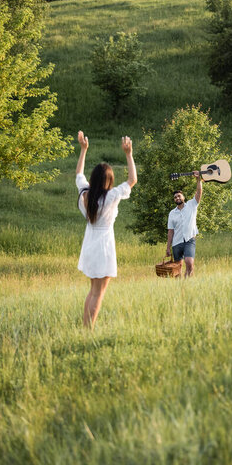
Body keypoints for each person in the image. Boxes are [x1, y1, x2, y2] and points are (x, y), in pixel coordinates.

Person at [76, 130, 137, 329]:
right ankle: (88, 330)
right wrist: (128, 154)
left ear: (94, 179)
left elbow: (79, 174)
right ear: (108, 180)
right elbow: (132, 180)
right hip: (103, 246)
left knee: (93, 290)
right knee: (99, 293)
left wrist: (83, 150)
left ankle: (86, 327)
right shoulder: (111, 196)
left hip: (90, 244)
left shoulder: (85, 194)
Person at [166, 172, 203, 277]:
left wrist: (198, 180)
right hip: (176, 242)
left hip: (189, 240)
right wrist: (168, 248)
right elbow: (170, 231)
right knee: (177, 269)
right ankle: (179, 288)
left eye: (179, 196)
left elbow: (199, 192)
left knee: (189, 263)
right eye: (175, 197)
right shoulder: (172, 213)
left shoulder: (192, 205)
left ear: (183, 197)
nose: (177, 198)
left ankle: (188, 284)